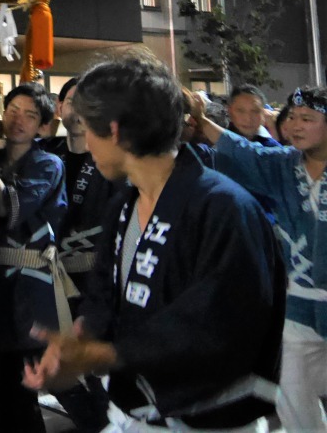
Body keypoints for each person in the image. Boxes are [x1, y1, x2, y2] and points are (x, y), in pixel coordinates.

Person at [24, 55, 285, 432]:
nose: (84, 141)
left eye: (86, 127)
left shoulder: (224, 207)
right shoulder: (125, 205)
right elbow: (104, 298)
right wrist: (79, 339)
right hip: (137, 415)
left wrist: (110, 352)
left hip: (208, 420)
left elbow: (219, 322)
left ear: (113, 131)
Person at [190, 85, 327, 432]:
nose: (295, 125)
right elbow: (242, 151)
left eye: (307, 118)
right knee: (292, 394)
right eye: (292, 117)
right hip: (296, 305)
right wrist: (202, 120)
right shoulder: (282, 164)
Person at [0, 81, 66, 433]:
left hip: (31, 291)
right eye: (12, 111)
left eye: (30, 115)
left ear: (43, 125)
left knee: (21, 396)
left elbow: (7, 207)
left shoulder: (47, 164)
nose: (18, 120)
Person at [51, 78, 120, 433]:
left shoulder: (111, 159)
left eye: (84, 103)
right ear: (58, 108)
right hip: (53, 280)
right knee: (55, 371)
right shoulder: (47, 153)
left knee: (96, 373)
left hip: (96, 282)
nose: (75, 111)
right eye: (69, 101)